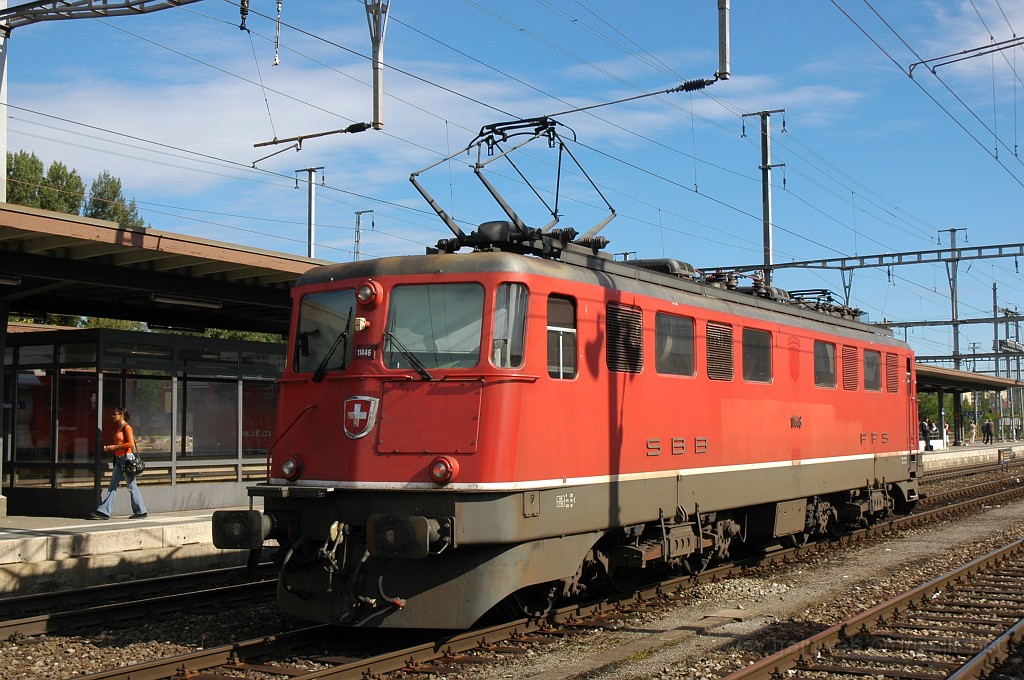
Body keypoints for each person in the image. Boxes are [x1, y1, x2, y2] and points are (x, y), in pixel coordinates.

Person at [88, 407, 148, 520]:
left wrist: (113, 447)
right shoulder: (119, 428)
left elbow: (130, 444)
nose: (113, 416)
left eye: (115, 414)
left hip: (126, 460)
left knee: (131, 486)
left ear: (121, 415)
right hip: (119, 460)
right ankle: (104, 511)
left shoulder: (127, 428)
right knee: (112, 486)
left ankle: (141, 511)